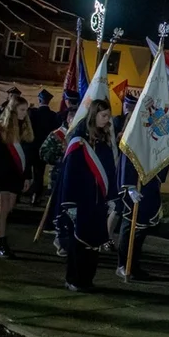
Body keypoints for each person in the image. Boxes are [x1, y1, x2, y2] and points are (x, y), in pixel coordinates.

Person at [58, 99, 117, 291]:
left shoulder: (105, 138)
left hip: (99, 198)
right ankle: (73, 278)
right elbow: (70, 173)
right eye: (103, 115)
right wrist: (70, 203)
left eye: (108, 116)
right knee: (79, 239)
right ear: (94, 115)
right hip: (82, 198)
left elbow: (109, 170)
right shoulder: (79, 141)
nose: (107, 120)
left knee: (94, 241)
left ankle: (87, 279)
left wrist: (112, 197)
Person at [0, 96, 35, 258]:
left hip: (17, 174)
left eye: (26, 109)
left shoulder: (24, 128)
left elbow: (27, 155)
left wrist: (28, 176)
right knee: (2, 207)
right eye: (22, 110)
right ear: (13, 110)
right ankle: (1, 244)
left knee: (8, 208)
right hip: (1, 173)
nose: (25, 113)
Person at [115, 153, 169, 281]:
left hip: (149, 184)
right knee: (129, 225)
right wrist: (129, 185)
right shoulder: (135, 132)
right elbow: (127, 154)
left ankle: (133, 264)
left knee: (141, 229)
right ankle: (123, 264)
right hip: (134, 184)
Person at [40, 106, 77, 256]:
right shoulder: (57, 135)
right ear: (69, 119)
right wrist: (60, 157)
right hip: (57, 177)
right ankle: (60, 240)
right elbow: (43, 153)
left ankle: (67, 239)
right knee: (59, 209)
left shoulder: (79, 136)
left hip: (73, 178)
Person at [105, 94, 137, 250]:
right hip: (119, 172)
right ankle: (106, 238)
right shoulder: (117, 124)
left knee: (119, 209)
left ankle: (107, 237)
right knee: (117, 208)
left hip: (126, 173)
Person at [28, 89, 60, 205]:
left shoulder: (33, 113)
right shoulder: (53, 115)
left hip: (32, 146)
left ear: (39, 100)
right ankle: (36, 194)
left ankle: (30, 193)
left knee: (28, 171)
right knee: (39, 173)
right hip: (45, 148)